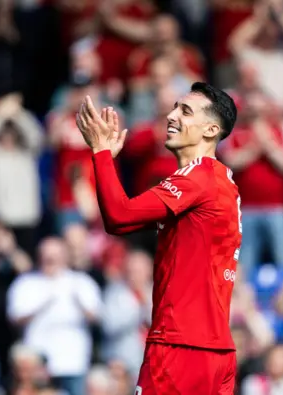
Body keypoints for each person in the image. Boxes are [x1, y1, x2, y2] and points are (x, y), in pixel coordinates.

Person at [75, 82, 240, 394]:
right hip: (217, 351)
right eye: (175, 107)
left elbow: (118, 217)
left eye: (186, 111)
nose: (172, 115)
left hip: (179, 346)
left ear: (210, 130)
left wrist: (99, 153)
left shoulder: (197, 178)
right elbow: (127, 220)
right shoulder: (224, 181)